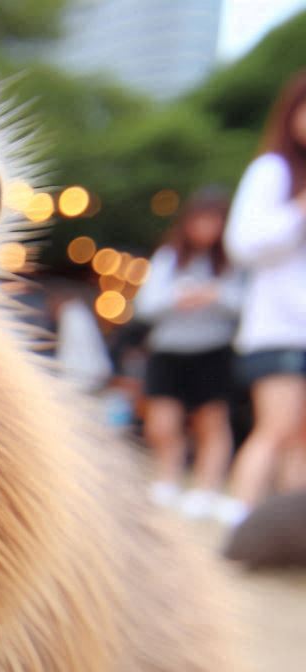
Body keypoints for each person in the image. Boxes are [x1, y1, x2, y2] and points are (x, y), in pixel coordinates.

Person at [221, 71, 306, 526]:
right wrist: (298, 210)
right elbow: (243, 243)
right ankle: (241, 518)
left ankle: (292, 532)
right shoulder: (272, 171)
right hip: (278, 330)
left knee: (301, 439)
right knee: (275, 429)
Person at [134, 188, 241, 519]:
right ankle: (168, 479)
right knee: (162, 423)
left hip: (213, 350)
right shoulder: (169, 257)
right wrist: (176, 299)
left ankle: (206, 489)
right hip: (169, 350)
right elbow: (145, 306)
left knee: (212, 422)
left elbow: (246, 303)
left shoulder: (232, 261)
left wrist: (216, 295)